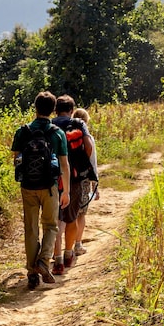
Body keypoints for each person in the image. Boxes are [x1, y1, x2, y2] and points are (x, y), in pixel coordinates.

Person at [11, 91, 70, 290]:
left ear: (35, 108)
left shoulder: (23, 131)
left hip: (28, 186)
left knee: (31, 229)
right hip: (50, 187)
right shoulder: (57, 133)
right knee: (51, 225)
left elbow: (16, 159)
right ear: (53, 109)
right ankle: (44, 261)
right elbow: (64, 164)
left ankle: (31, 273)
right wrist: (67, 191)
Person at [50, 95, 96, 275]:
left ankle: (57, 259)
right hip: (75, 177)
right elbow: (88, 146)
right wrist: (83, 162)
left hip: (54, 178)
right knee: (72, 217)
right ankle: (69, 254)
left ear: (56, 109)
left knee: (55, 219)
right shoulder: (79, 124)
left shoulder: (51, 125)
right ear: (72, 109)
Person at [72, 107, 99, 256]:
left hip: (69, 178)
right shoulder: (88, 138)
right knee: (81, 214)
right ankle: (77, 244)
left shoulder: (65, 135)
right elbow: (92, 161)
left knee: (70, 214)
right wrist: (96, 183)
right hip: (84, 179)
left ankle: (67, 246)